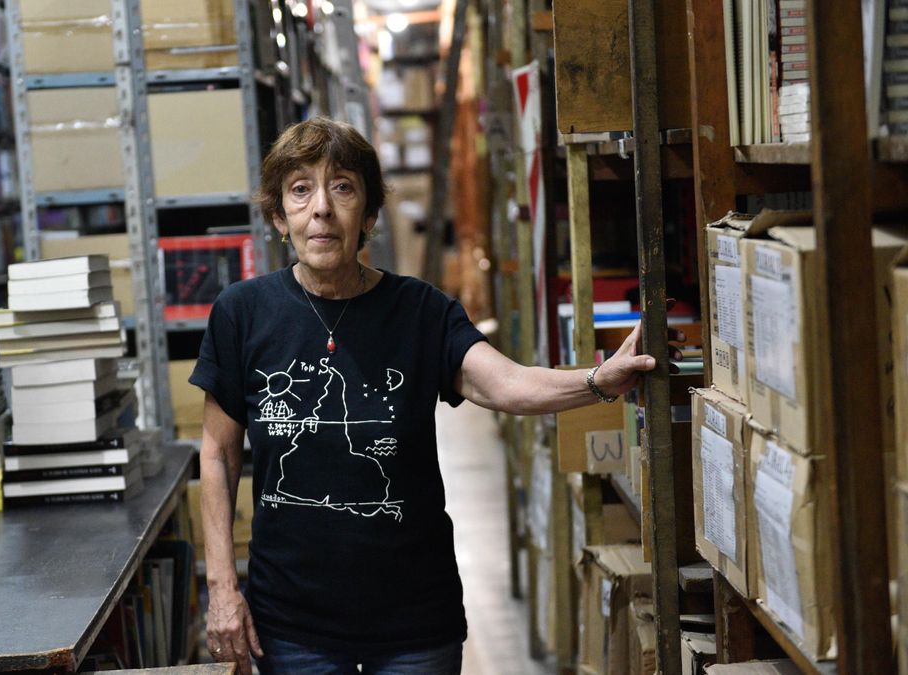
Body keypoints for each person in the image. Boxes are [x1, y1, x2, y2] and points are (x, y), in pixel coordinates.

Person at [190, 117, 675, 675]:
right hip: (292, 624)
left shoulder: (422, 312)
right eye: (301, 189)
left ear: (369, 214)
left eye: (342, 186)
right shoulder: (242, 313)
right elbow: (218, 455)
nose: (321, 207)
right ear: (279, 215)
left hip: (413, 624)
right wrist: (223, 588)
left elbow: (504, 382)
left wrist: (598, 380)